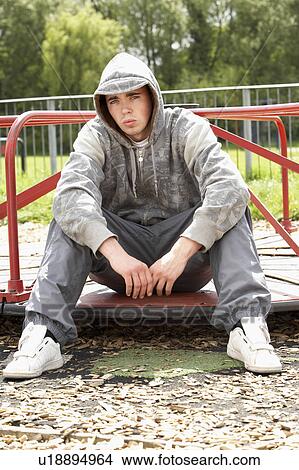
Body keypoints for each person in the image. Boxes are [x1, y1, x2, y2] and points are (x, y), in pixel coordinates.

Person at [3, 53, 281, 379]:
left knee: (232, 206)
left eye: (134, 96)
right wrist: (115, 252)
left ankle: (246, 326)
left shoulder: (186, 128)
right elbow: (71, 196)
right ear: (104, 105)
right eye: (114, 100)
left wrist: (180, 251)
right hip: (120, 265)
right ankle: (43, 335)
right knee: (70, 214)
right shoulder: (95, 135)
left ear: (152, 95)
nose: (125, 109)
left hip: (186, 263)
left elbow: (229, 189)